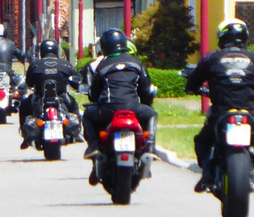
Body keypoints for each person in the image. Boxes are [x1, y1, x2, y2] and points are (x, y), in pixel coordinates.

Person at [184, 18, 254, 192]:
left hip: (220, 113)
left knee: (202, 140)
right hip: (249, 113)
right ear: (245, 37)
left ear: (221, 38)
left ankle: (207, 173)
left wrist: (194, 89)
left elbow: (191, 84)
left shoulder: (211, 58)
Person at [82, 28, 156, 163]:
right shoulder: (136, 63)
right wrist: (144, 102)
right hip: (133, 108)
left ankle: (94, 145)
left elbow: (94, 94)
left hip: (108, 110)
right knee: (152, 113)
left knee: (87, 114)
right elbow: (145, 89)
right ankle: (150, 145)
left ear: (104, 46)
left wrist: (94, 97)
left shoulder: (103, 66)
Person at [19, 39, 82, 148]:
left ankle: (26, 136)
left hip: (39, 99)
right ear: (57, 51)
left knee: (23, 106)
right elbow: (76, 82)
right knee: (74, 105)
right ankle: (77, 133)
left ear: (42, 51)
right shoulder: (66, 64)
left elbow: (29, 83)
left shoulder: (35, 64)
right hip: (62, 99)